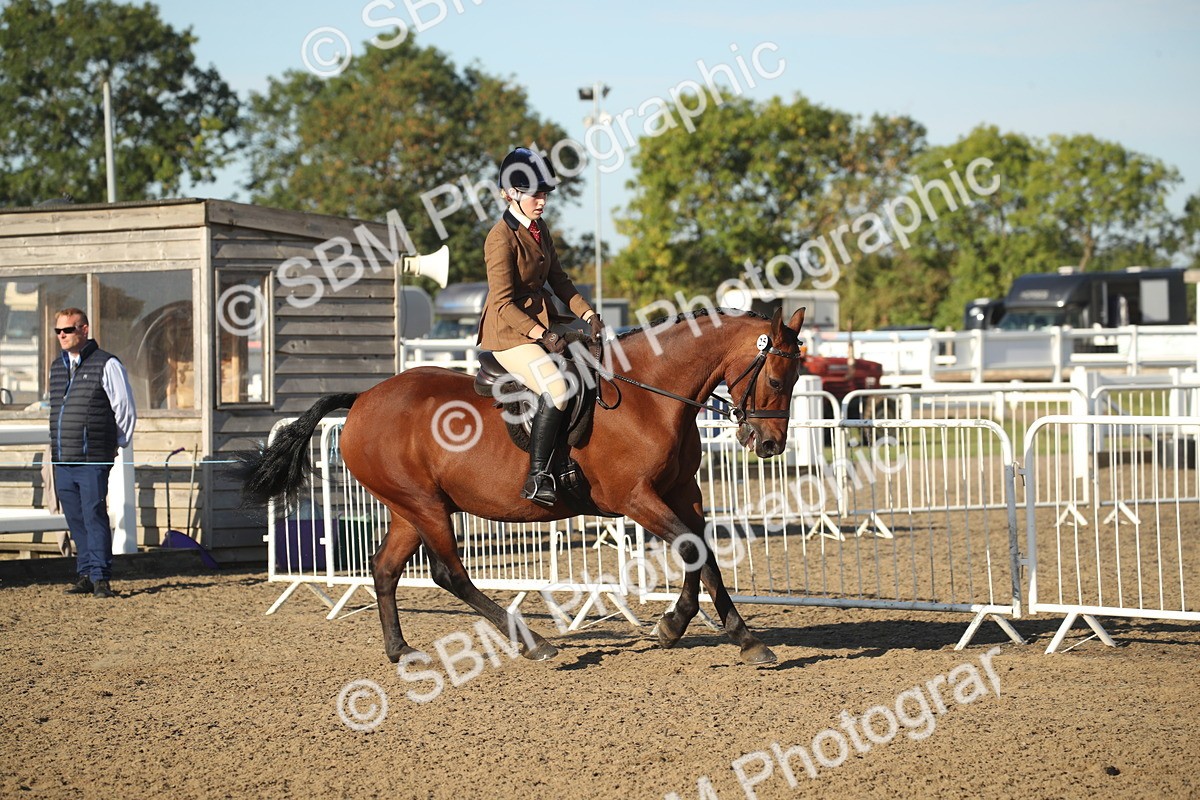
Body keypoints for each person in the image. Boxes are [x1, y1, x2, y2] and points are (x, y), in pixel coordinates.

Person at [477, 147, 604, 507]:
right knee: (558, 388)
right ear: (511, 193)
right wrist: (541, 334)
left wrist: (589, 314)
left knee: (591, 362)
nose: (543, 201)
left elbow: (560, 280)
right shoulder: (499, 238)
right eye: (536, 194)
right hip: (509, 334)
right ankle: (537, 476)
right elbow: (502, 304)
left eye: (545, 194)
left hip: (540, 324)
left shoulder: (539, 229)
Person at [49, 308, 136, 598]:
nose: (62, 335)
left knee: (94, 514)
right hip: (63, 458)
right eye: (58, 331)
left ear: (84, 330)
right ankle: (85, 572)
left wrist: (116, 443)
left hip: (92, 457)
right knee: (75, 517)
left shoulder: (107, 363)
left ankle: (101, 577)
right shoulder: (57, 367)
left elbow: (124, 408)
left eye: (68, 330)